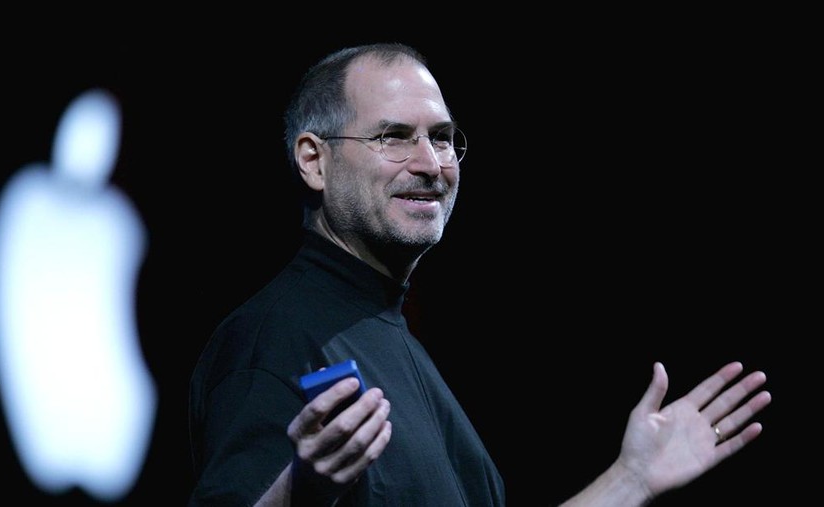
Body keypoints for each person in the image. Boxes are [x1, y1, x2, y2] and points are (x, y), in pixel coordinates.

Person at [187, 42, 772, 506]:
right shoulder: (275, 337)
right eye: (394, 137)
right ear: (315, 161)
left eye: (442, 138)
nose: (431, 165)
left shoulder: (393, 339)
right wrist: (299, 494)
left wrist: (632, 479)